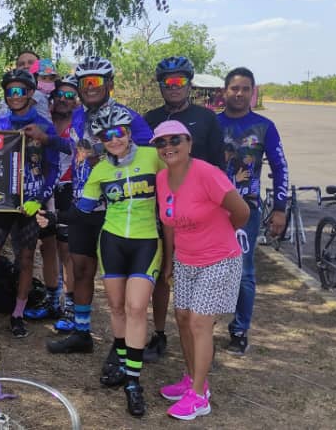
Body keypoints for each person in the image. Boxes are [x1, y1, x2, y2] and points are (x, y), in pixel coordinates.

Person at [48, 105, 164, 416]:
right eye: (105, 135)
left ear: (129, 133)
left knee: (137, 307)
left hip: (146, 241)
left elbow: (183, 177)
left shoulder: (152, 156)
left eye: (119, 133)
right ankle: (124, 361)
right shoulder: (99, 171)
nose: (113, 139)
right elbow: (82, 210)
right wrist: (52, 218)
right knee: (116, 308)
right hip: (111, 241)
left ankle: (133, 382)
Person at [152, 120, 249, 421]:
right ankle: (193, 378)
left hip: (219, 259)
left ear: (189, 142)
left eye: (175, 140)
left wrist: (221, 235)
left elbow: (242, 211)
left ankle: (199, 397)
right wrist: (169, 262)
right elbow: (168, 223)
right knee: (181, 318)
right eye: (161, 143)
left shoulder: (207, 174)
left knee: (198, 322)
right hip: (186, 260)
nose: (168, 147)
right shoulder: (162, 179)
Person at [142, 55, 225, 363]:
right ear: (161, 86)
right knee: (164, 273)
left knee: (201, 275)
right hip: (162, 207)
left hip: (200, 213)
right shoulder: (149, 119)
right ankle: (160, 334)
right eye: (167, 82)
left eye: (179, 81)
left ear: (190, 84)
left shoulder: (206, 119)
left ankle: (203, 338)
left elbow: (219, 165)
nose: (173, 87)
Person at [0, 69, 60, 340]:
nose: (15, 96)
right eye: (10, 91)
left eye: (20, 91)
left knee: (25, 258)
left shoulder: (44, 125)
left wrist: (39, 198)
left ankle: (18, 314)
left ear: (31, 93)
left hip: (31, 202)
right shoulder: (0, 122)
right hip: (2, 201)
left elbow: (53, 167)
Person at [217, 67, 289, 356]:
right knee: (211, 269)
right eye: (234, 88)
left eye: (245, 89)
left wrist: (281, 208)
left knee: (244, 272)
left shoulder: (265, 126)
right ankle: (204, 323)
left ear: (252, 92)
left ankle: (239, 329)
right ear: (224, 91)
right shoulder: (212, 123)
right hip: (212, 209)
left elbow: (281, 167)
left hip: (246, 210)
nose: (239, 93)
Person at [27, 75, 80, 327]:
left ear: (77, 100)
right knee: (46, 245)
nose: (64, 99)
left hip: (70, 190)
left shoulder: (80, 122)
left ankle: (70, 307)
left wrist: (48, 139)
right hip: (45, 189)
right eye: (60, 94)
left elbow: (76, 148)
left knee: (66, 249)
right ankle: (51, 299)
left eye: (70, 95)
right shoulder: (44, 119)